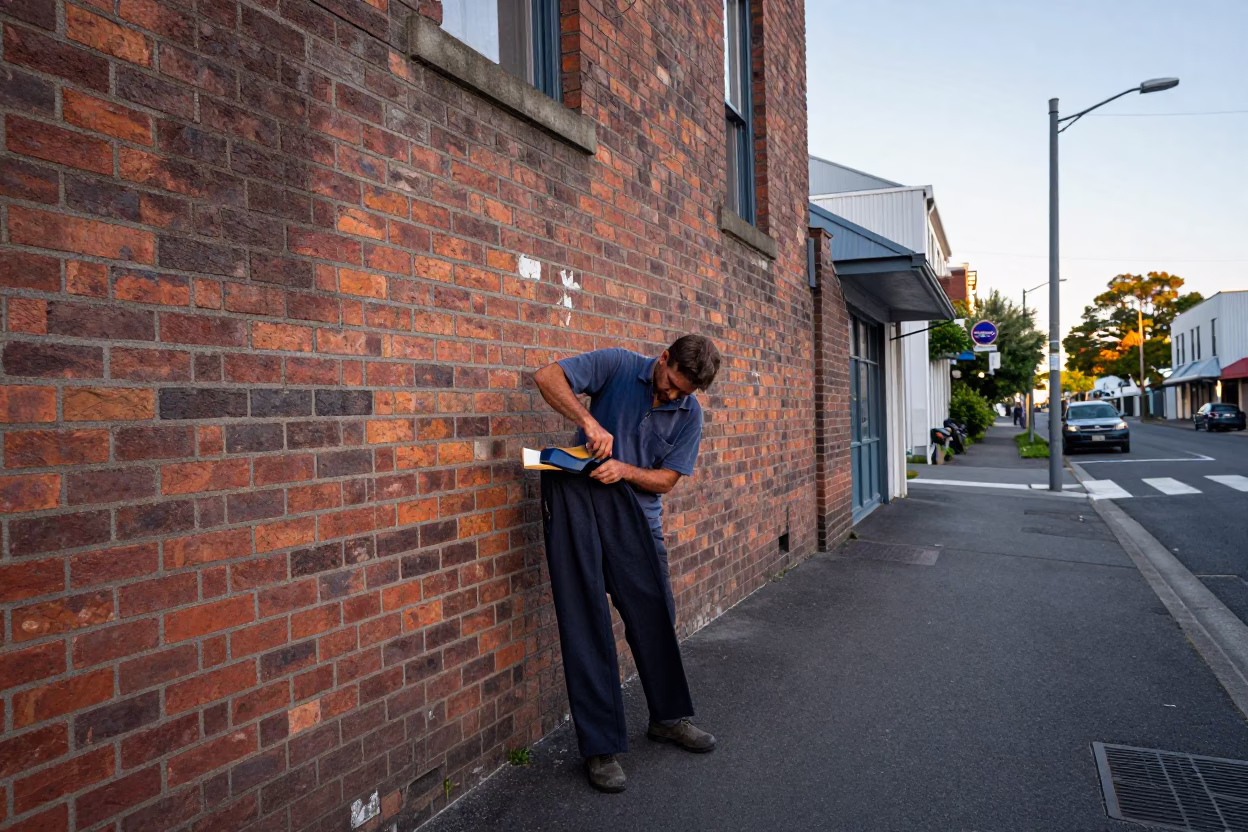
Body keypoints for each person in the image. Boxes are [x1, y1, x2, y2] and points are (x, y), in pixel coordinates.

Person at [533, 334, 721, 793]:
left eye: (682, 392)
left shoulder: (689, 413)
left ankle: (668, 718)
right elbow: (546, 376)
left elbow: (667, 480)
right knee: (586, 621)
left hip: (638, 518)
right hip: (579, 503)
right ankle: (600, 749)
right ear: (663, 359)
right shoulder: (617, 365)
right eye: (670, 383)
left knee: (654, 617)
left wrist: (626, 470)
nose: (671, 395)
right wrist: (587, 421)